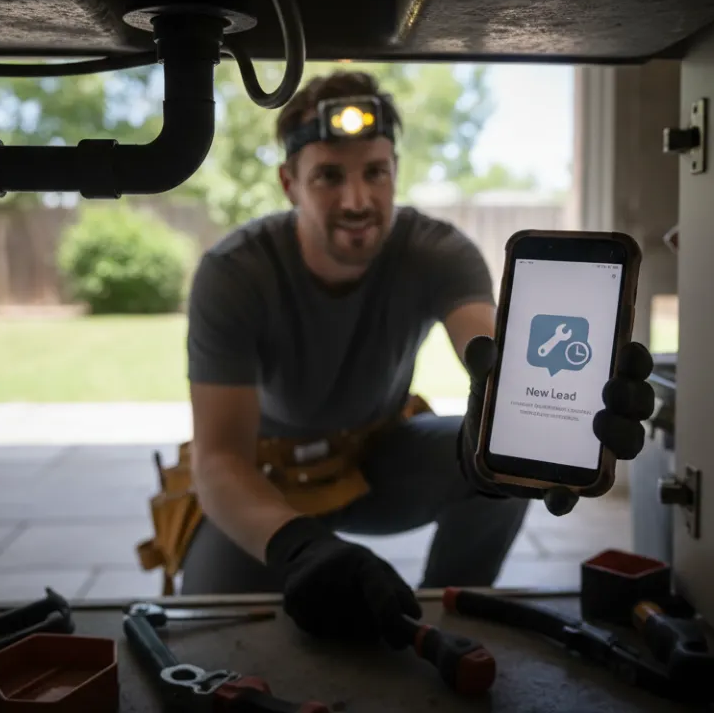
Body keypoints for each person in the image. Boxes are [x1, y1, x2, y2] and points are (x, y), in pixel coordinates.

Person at [174, 70, 655, 647]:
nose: (358, 201)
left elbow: (487, 349)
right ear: (288, 183)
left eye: (375, 172)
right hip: (264, 477)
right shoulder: (235, 273)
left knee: (492, 466)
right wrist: (298, 544)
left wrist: (533, 415)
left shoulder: (437, 251)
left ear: (395, 171)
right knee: (204, 636)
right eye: (329, 176)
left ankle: (437, 627)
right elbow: (220, 458)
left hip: (378, 458)